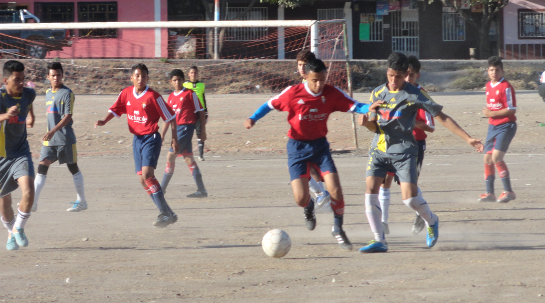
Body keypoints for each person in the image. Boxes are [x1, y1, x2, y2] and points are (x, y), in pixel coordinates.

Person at [244, 59, 381, 251]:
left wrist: (370, 108)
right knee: (300, 198)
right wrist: (253, 118)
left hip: (320, 148)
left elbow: (354, 106)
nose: (319, 84)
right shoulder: (293, 93)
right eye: (315, 80)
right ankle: (309, 207)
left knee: (335, 190)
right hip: (297, 148)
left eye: (323, 79)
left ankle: (338, 228)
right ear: (305, 76)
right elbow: (269, 104)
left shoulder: (331, 93)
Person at [358, 52, 483, 253]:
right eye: (390, 75)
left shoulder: (414, 94)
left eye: (398, 76)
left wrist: (468, 138)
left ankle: (432, 221)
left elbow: (441, 117)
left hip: (405, 152)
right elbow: (375, 127)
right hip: (379, 151)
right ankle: (379, 240)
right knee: (370, 191)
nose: (393, 81)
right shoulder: (377, 93)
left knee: (409, 199)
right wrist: (367, 120)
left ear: (405, 74)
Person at [94, 63, 179, 227]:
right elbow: (115, 109)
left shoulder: (154, 97)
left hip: (151, 137)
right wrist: (104, 120)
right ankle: (168, 212)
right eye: (137, 75)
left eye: (144, 76)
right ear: (131, 77)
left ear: (148, 78)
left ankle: (163, 213)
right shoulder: (126, 93)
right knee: (142, 179)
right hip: (137, 140)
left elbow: (170, 117)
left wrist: (174, 139)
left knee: (148, 175)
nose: (140, 79)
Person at [374, 55, 435, 235]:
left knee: (407, 185)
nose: (407, 79)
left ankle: (421, 213)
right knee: (385, 181)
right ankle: (383, 222)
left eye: (411, 75)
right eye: (404, 75)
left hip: (414, 145)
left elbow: (431, 126)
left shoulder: (419, 95)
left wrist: (410, 121)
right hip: (392, 142)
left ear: (418, 76)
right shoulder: (391, 92)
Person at [33, 62, 87, 212]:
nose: (56, 77)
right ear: (48, 77)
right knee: (42, 165)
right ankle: (33, 203)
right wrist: (49, 133)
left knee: (73, 167)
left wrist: (53, 131)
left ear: (62, 76)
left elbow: (68, 116)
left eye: (58, 75)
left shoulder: (67, 93)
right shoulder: (48, 93)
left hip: (65, 138)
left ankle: (82, 201)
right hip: (49, 140)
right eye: (53, 75)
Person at [0, 60, 36, 250]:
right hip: (1, 154)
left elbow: (28, 102)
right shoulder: (0, 98)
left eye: (23, 79)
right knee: (5, 202)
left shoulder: (29, 93)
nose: (21, 83)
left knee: (29, 191)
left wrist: (32, 116)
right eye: (17, 80)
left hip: (21, 152)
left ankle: (18, 229)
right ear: (5, 80)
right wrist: (6, 115)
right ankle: (10, 231)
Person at [161, 69, 208, 198]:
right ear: (171, 82)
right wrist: (163, 134)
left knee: (170, 156)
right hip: (177, 130)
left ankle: (162, 189)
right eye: (174, 80)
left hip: (186, 127)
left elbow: (201, 112)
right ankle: (202, 190)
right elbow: (168, 117)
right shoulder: (170, 97)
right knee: (188, 158)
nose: (177, 82)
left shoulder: (190, 94)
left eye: (179, 80)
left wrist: (202, 131)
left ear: (183, 80)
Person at [478, 56, 517, 203]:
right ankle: (490, 193)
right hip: (492, 126)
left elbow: (511, 109)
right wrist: (491, 115)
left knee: (496, 158)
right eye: (492, 70)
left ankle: (509, 191)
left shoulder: (506, 86)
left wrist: (490, 114)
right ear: (488, 71)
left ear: (502, 71)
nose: (494, 72)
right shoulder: (488, 86)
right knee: (487, 158)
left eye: (497, 70)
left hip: (506, 125)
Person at [295, 50, 331, 210]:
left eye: (304, 65)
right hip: (301, 137)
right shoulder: (299, 87)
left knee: (310, 171)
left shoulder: (317, 86)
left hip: (315, 138)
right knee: (307, 170)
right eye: (299, 65)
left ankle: (323, 195)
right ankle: (323, 195)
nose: (301, 68)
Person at [183, 66, 207, 161]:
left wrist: (206, 111)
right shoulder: (184, 85)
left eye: (195, 73)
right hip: (189, 111)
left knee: (200, 132)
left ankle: (201, 155)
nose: (193, 74)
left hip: (200, 111)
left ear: (197, 74)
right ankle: (186, 153)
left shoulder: (201, 85)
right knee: (187, 132)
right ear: (188, 74)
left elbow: (203, 98)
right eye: (191, 73)